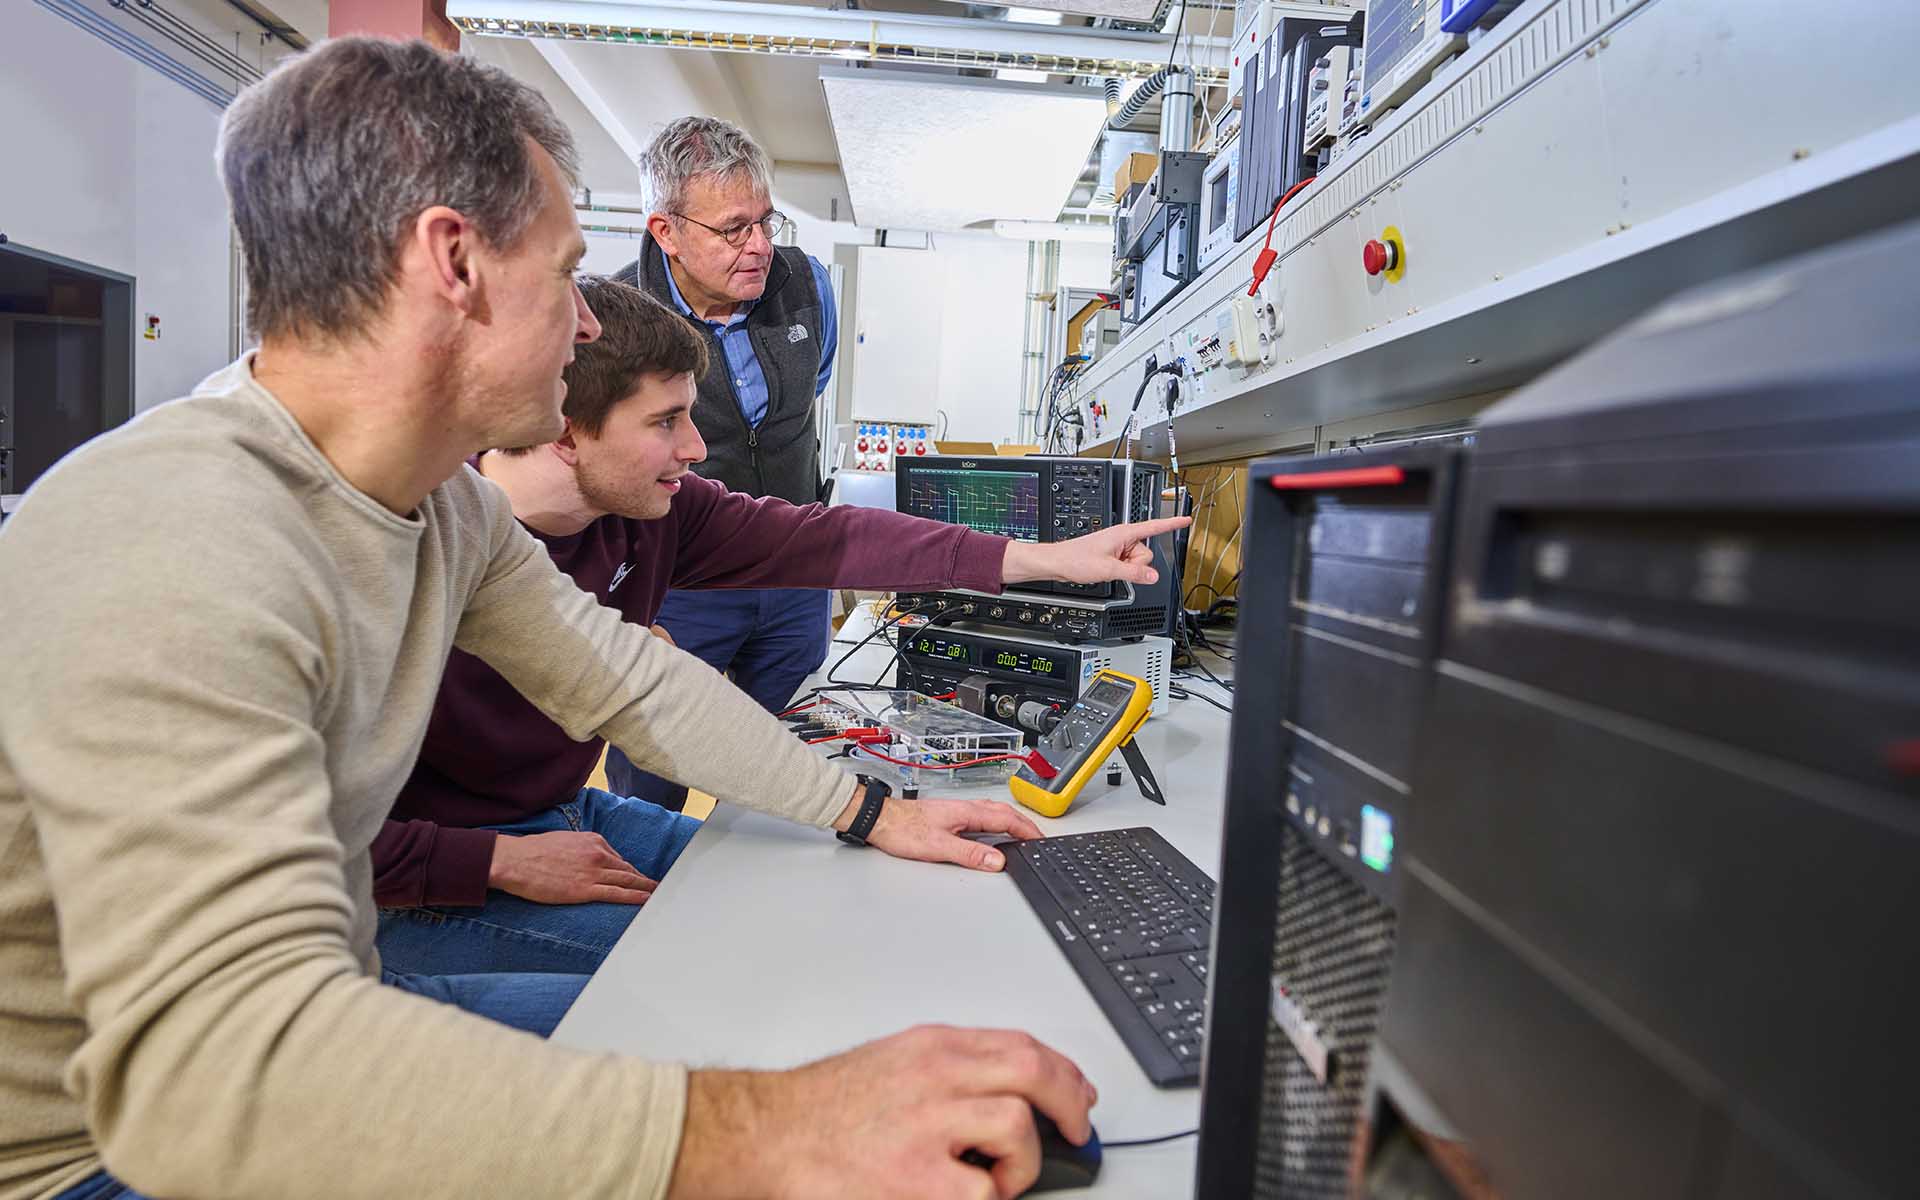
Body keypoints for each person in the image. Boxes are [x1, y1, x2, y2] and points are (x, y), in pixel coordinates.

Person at [0, 38, 1094, 1200]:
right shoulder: (176, 533)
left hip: (338, 999)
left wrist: (874, 811)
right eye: (567, 274)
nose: (585, 325)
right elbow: (218, 1080)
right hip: (100, 1157)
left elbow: (629, 684)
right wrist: (767, 1131)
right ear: (454, 264)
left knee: (737, 1028)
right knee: (733, 1085)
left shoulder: (445, 509)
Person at [375, 275, 1189, 978]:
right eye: (665, 422)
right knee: (732, 963)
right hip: (415, 877)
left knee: (814, 895)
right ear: (563, 427)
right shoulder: (424, 548)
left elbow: (824, 541)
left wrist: (1047, 560)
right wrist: (492, 859)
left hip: (560, 814)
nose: (697, 448)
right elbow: (312, 839)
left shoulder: (650, 514)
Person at [605, 116, 841, 810]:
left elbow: (810, 387)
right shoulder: (618, 319)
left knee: (796, 765)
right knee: (652, 779)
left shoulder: (808, 286)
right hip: (678, 586)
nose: (760, 245)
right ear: (667, 232)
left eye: (766, 221)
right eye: (734, 229)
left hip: (794, 575)